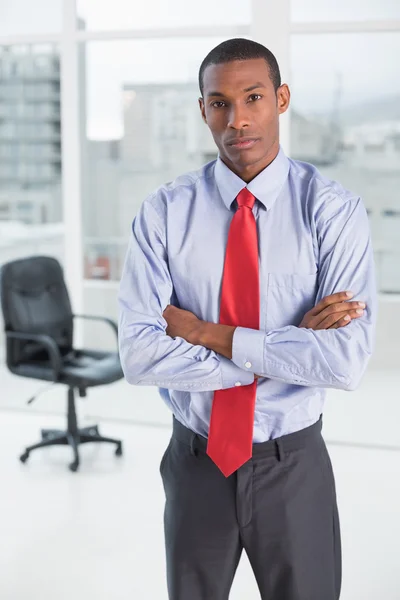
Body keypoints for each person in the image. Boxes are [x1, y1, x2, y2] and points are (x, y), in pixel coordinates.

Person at [118, 38, 376, 600]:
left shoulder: (332, 210)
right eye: (219, 103)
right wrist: (286, 350)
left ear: (280, 99)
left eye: (253, 97)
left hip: (293, 466)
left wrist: (208, 334)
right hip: (196, 461)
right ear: (203, 110)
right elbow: (139, 355)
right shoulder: (164, 211)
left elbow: (346, 361)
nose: (237, 119)